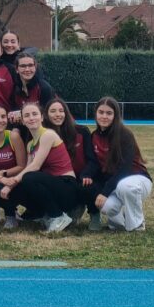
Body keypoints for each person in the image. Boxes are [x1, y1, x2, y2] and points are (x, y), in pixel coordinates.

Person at [83, 97, 152, 232]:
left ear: (115, 115)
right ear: (95, 114)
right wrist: (86, 174)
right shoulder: (94, 136)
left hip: (137, 180)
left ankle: (137, 226)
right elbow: (95, 164)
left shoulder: (125, 135)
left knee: (125, 186)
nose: (104, 116)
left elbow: (124, 169)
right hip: (116, 184)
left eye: (109, 113)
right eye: (101, 112)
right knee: (107, 206)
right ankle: (119, 223)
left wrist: (105, 192)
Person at [12, 102, 77, 233]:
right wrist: (11, 185)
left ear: (42, 117)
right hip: (52, 187)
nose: (31, 118)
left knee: (28, 178)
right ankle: (43, 214)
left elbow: (35, 166)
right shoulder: (30, 144)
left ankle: (58, 217)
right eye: (27, 115)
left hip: (67, 187)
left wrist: (11, 182)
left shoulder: (48, 134)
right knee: (20, 185)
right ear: (23, 121)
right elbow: (27, 167)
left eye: (35, 114)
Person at [45, 97, 101, 229]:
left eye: (61, 110)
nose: (58, 114)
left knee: (88, 183)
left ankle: (94, 213)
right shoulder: (44, 135)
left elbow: (92, 160)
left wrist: (86, 174)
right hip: (61, 182)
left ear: (66, 112)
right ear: (46, 115)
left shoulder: (81, 131)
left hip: (80, 179)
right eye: (53, 111)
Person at [11, 53, 56, 121]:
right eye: (23, 66)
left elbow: (48, 115)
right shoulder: (15, 89)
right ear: (17, 69)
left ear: (35, 67)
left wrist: (23, 114)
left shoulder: (44, 88)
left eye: (30, 65)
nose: (27, 69)